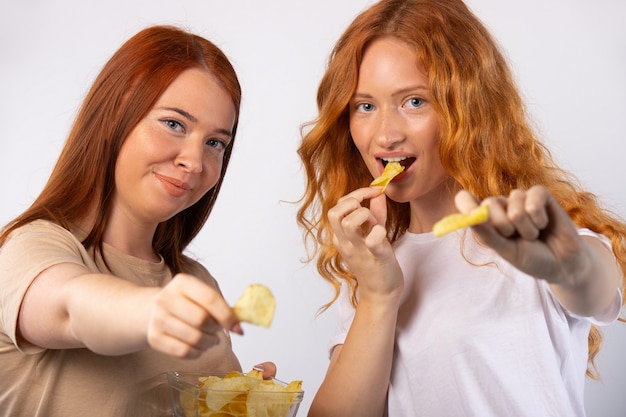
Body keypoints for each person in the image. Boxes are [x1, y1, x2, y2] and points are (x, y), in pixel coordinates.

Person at [296, 0, 626, 416]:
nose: (385, 135)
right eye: (365, 106)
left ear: (468, 109)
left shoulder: (525, 235)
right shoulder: (374, 259)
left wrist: (568, 266)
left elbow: (594, 287)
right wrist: (379, 295)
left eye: (414, 102)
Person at [0, 25, 275, 417]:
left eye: (215, 143)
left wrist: (238, 404)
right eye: (174, 124)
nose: (194, 162)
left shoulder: (194, 283)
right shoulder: (30, 249)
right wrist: (153, 311)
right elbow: (71, 307)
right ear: (114, 117)